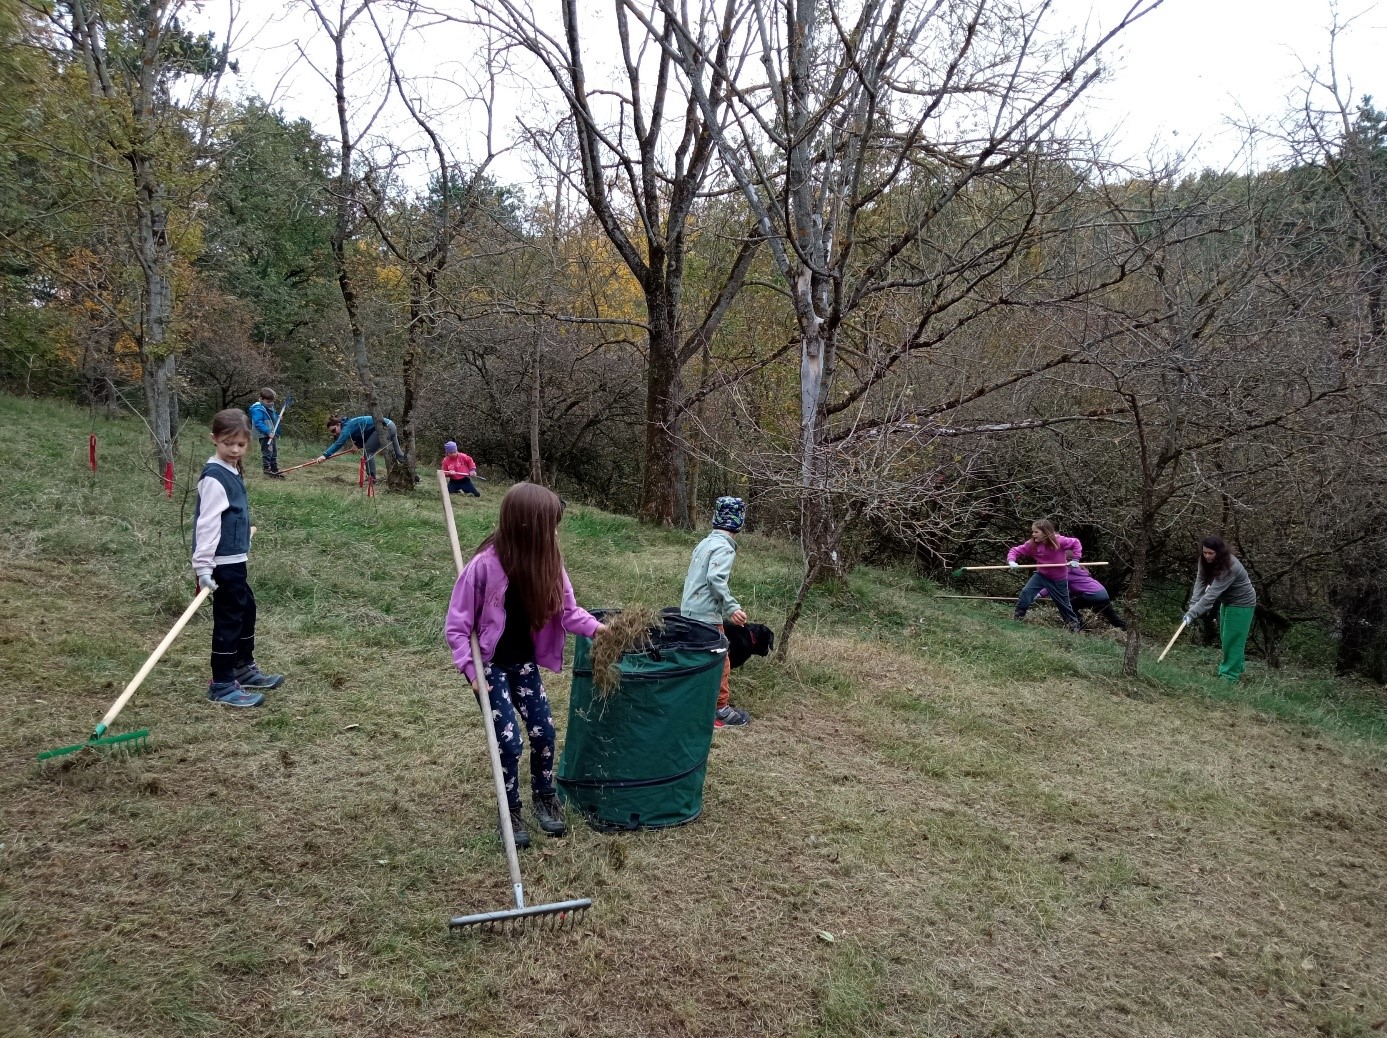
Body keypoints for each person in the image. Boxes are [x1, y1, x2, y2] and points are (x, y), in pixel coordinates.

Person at [444, 483, 606, 848]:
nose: (553, 534)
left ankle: (544, 797)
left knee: (543, 733)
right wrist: (471, 672)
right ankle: (510, 810)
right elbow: (457, 627)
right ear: (526, 526)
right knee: (510, 743)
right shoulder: (483, 567)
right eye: (548, 526)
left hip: (523, 664)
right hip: (490, 667)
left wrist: (601, 631)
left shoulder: (550, 561)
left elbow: (568, 612)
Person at [191, 409, 285, 708]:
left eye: (241, 445)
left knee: (246, 610)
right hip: (221, 562)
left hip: (235, 558)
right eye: (227, 443)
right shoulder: (214, 477)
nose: (234, 450)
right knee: (229, 619)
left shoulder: (231, 470)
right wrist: (203, 566)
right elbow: (206, 524)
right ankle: (221, 682)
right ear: (214, 440)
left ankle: (242, 667)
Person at [680, 496, 751, 728]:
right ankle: (720, 710)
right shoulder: (724, 548)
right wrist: (732, 606)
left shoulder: (705, 543)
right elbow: (715, 578)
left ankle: (693, 704)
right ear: (739, 522)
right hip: (706, 616)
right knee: (721, 662)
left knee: (696, 658)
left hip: (689, 611)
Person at [1184, 535, 1257, 681]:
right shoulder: (1203, 560)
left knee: (1233, 640)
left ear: (1220, 552)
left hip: (1242, 604)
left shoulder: (1230, 566)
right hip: (1227, 602)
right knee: (1226, 638)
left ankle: (1229, 677)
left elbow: (1211, 595)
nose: (1207, 556)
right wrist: (1192, 606)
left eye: (1211, 553)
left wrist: (1193, 614)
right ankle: (1236, 667)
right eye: (1205, 552)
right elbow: (1201, 581)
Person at [1007, 519, 1083, 633]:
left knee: (1063, 605)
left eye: (1036, 532)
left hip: (1059, 579)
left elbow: (1076, 543)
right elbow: (1015, 551)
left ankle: (1074, 627)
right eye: (1032, 532)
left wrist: (1076, 559)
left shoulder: (1059, 541)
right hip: (1041, 575)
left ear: (1045, 532)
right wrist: (1012, 561)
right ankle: (1018, 618)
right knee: (1026, 593)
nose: (1033, 534)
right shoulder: (1031, 544)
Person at [1038, 562, 1128, 630]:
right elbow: (1074, 588)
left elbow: (1053, 585)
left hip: (1093, 594)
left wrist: (1039, 594)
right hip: (1103, 593)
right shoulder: (1079, 571)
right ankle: (1126, 629)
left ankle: (1078, 626)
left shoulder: (1066, 573)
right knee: (1112, 616)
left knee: (1070, 606)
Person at [320, 413, 405, 480]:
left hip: (383, 427)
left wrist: (325, 455)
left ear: (338, 424)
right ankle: (413, 476)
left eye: (334, 430)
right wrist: (358, 445)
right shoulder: (348, 424)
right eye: (332, 432)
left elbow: (339, 443)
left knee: (368, 452)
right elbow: (366, 433)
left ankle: (371, 478)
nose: (335, 433)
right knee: (398, 453)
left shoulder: (347, 427)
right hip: (390, 425)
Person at [246, 388, 284, 479]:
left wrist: (278, 417)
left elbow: (272, 418)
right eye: (268, 401)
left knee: (274, 452)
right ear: (261, 399)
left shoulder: (270, 407)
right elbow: (258, 423)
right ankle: (267, 469)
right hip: (264, 435)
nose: (271, 403)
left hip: (272, 433)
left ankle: (274, 469)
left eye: (272, 401)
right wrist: (267, 431)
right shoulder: (257, 409)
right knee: (267, 452)